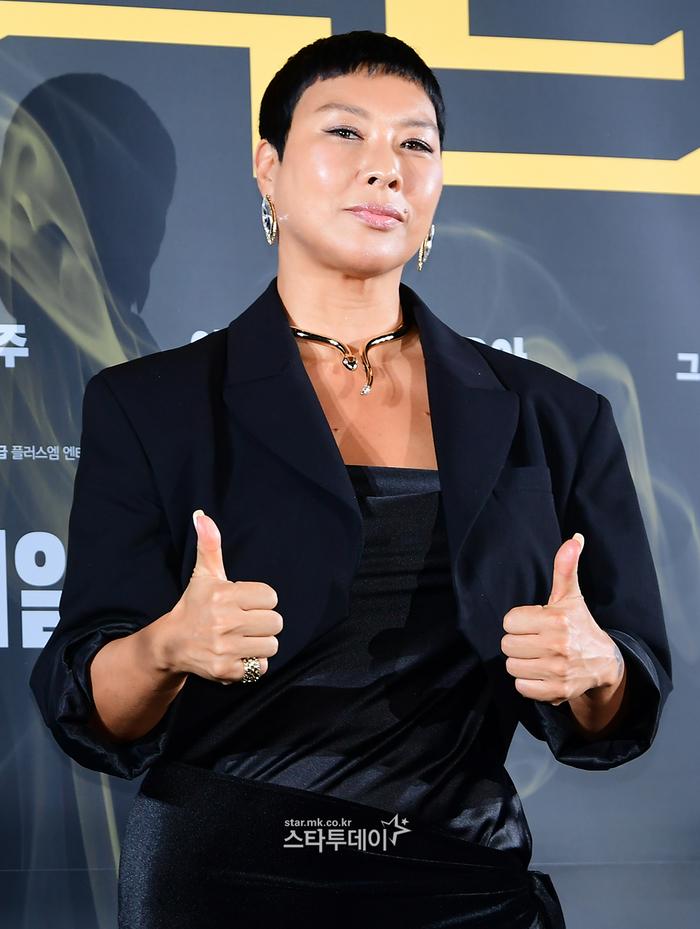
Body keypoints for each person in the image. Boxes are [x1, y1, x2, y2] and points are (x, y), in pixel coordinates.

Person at [29, 30, 673, 929]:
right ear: (268, 168)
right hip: (230, 886)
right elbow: (94, 707)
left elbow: (621, 696)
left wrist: (597, 669)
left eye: (416, 143)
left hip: (465, 884)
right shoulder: (151, 405)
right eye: (344, 132)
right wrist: (167, 645)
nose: (386, 168)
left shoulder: (556, 415)